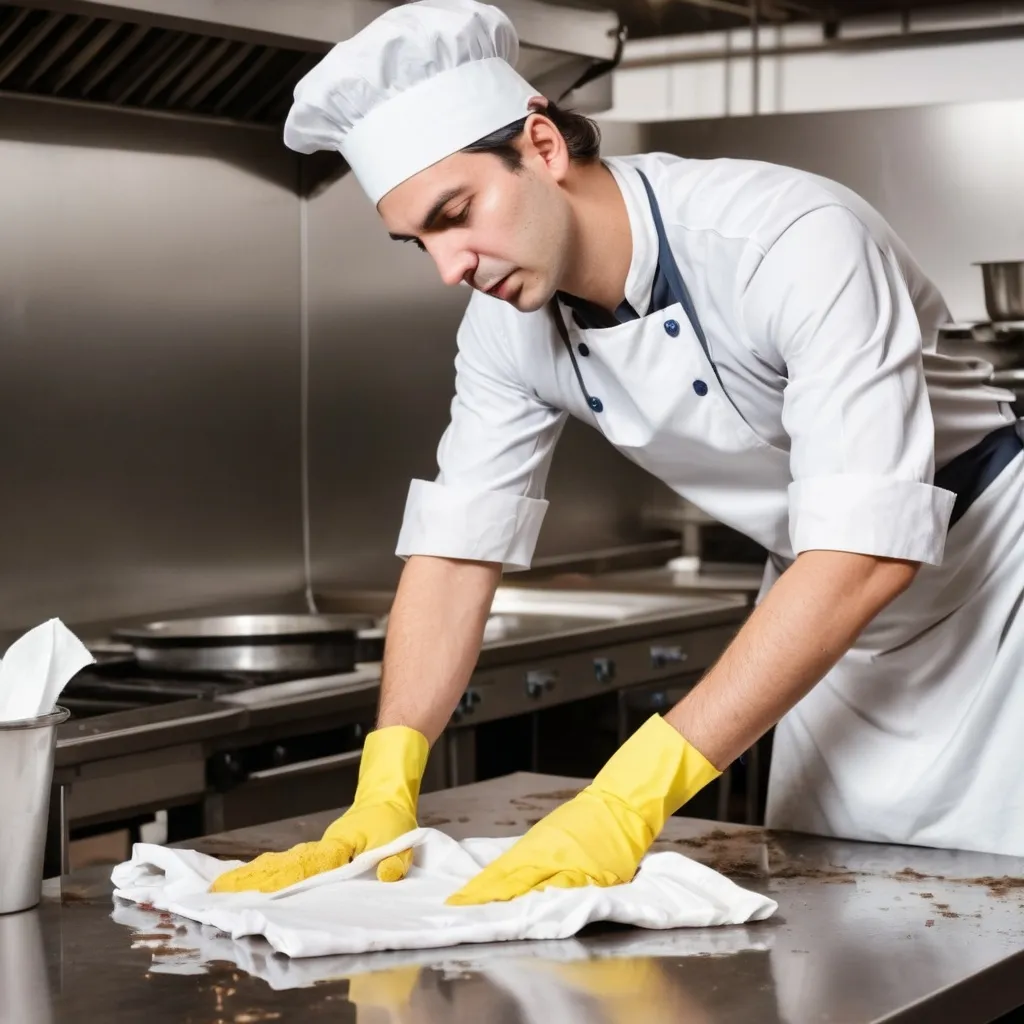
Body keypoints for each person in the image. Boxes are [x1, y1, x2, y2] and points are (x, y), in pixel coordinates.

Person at [211, 0, 1024, 902]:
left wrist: (629, 798)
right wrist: (385, 781)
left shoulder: (784, 240)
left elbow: (868, 548)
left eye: (457, 213)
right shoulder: (502, 329)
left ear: (543, 146)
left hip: (994, 594)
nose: (451, 265)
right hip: (819, 613)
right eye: (421, 242)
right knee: (833, 910)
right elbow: (454, 551)